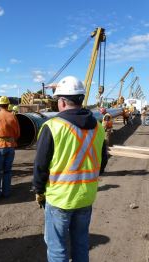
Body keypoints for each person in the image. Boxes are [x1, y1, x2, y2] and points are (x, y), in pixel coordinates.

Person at [32, 76, 108, 262]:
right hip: (86, 197)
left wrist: (39, 191)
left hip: (60, 199)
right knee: (81, 244)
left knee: (57, 248)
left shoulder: (53, 126)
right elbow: (102, 162)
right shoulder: (98, 127)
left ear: (63, 101)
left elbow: (40, 166)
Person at [0, 96, 20, 199]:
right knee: (7, 171)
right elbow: (17, 133)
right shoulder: (13, 116)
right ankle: (6, 193)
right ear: (8, 105)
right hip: (10, 147)